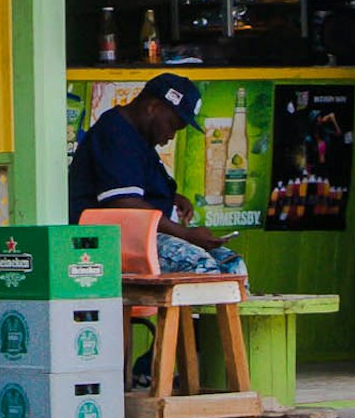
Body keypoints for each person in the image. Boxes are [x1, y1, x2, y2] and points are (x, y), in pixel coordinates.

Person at [68, 71, 246, 275]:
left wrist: (173, 198)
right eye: (172, 125)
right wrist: (186, 234)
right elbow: (124, 203)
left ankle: (237, 308)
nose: (171, 135)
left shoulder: (138, 137)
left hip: (137, 238)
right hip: (105, 242)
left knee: (232, 265)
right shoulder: (115, 133)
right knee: (200, 266)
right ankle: (194, 308)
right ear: (152, 107)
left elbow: (134, 186)